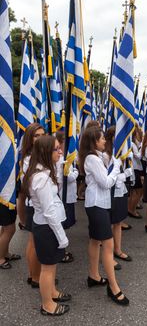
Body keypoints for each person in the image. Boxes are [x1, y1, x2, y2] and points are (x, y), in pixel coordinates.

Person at [79, 126, 129, 306]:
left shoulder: (97, 156)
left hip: (99, 204)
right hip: (97, 205)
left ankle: (93, 275)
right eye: (101, 139)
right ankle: (114, 288)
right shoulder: (92, 158)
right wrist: (116, 168)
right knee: (108, 245)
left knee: (95, 240)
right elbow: (106, 183)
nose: (105, 141)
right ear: (94, 142)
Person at [22, 135, 71, 316]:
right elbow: (49, 211)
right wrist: (62, 236)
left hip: (48, 225)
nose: (60, 151)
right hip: (47, 228)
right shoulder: (41, 178)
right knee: (47, 268)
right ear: (45, 152)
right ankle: (47, 304)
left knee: (52, 264)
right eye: (56, 149)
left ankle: (52, 292)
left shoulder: (43, 172)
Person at [20, 123, 45, 286]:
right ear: (30, 138)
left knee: (33, 240)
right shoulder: (30, 157)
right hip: (34, 203)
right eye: (37, 136)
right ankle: (35, 277)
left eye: (43, 135)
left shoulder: (38, 154)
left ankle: (33, 274)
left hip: (37, 202)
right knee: (34, 242)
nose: (41, 138)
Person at [104, 126, 132, 268]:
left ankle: (118, 250)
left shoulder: (122, 152)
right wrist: (124, 174)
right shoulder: (106, 155)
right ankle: (108, 256)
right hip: (109, 193)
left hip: (120, 191)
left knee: (118, 222)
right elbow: (108, 178)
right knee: (109, 223)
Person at [56, 130, 78, 263]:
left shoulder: (67, 156)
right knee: (61, 224)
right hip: (62, 195)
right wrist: (75, 172)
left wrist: (74, 171)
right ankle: (60, 251)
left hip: (68, 195)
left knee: (65, 223)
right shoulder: (60, 158)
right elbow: (68, 177)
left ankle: (61, 249)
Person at [128, 124, 144, 219]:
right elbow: (138, 156)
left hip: (138, 168)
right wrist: (143, 147)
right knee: (137, 191)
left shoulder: (136, 144)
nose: (140, 135)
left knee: (135, 191)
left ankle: (131, 207)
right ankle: (131, 209)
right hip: (134, 169)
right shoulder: (132, 144)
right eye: (139, 133)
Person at [0, 203, 20, 269]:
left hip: (6, 200)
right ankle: (0, 258)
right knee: (9, 229)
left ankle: (5, 253)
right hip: (5, 199)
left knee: (5, 228)